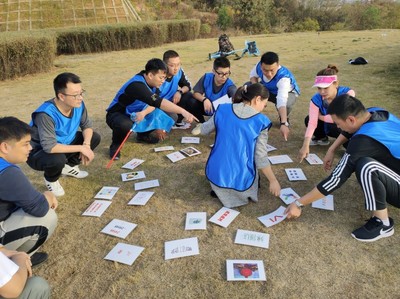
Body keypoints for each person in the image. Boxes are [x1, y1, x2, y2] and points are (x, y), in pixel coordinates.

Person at [285, 94, 400, 242]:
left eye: (338, 124)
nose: (338, 128)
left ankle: (383, 224)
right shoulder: (374, 112)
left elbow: (336, 179)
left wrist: (298, 203)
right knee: (365, 162)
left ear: (351, 119)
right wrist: (332, 149)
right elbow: (349, 130)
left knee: (367, 166)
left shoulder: (362, 142)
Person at [192, 83, 281, 208]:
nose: (263, 108)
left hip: (216, 175)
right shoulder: (261, 121)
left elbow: (205, 129)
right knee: (252, 177)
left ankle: (219, 191)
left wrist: (198, 128)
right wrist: (273, 180)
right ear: (257, 99)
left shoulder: (222, 109)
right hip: (241, 183)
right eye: (264, 104)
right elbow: (260, 156)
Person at [27, 72, 101, 197]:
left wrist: (86, 145)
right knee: (57, 158)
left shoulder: (78, 104)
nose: (80, 98)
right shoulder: (45, 114)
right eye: (75, 95)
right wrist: (81, 148)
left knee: (94, 137)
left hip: (63, 143)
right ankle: (51, 179)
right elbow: (49, 147)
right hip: (38, 152)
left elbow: (87, 126)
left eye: (81, 92)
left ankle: (68, 166)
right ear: (61, 96)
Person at [106, 58, 197, 159]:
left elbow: (153, 105)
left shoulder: (155, 84)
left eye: (164, 78)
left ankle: (143, 135)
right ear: (150, 75)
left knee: (170, 116)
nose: (163, 81)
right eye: (161, 78)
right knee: (125, 125)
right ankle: (116, 146)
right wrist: (183, 111)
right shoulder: (136, 85)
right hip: (118, 113)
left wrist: (145, 114)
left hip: (139, 112)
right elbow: (157, 101)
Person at [0, 117, 57, 266]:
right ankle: (17, 262)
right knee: (47, 217)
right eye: (25, 144)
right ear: (5, 147)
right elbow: (39, 208)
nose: (30, 148)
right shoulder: (7, 173)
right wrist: (49, 195)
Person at [298, 64, 355, 161]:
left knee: (338, 124)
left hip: (343, 127)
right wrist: (305, 145)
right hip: (327, 125)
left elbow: (341, 117)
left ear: (335, 84)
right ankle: (322, 138)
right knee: (308, 119)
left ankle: (352, 150)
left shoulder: (348, 94)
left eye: (325, 88)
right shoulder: (315, 99)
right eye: (319, 88)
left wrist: (321, 117)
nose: (322, 92)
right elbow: (312, 123)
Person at [249, 51, 300, 141]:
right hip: (268, 89)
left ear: (277, 65)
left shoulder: (284, 78)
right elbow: (253, 76)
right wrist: (257, 92)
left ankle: (284, 118)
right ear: (261, 66)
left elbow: (281, 100)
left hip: (287, 93)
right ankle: (248, 115)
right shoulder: (258, 66)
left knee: (286, 104)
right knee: (248, 87)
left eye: (272, 70)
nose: (269, 74)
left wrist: (284, 123)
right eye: (265, 70)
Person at [186, 57, 237, 123]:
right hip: (208, 108)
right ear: (213, 71)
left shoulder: (230, 86)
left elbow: (237, 102)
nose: (224, 77)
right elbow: (195, 93)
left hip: (221, 112)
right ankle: (201, 123)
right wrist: (205, 99)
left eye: (227, 73)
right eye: (220, 73)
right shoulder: (207, 77)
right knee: (190, 100)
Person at [161, 50, 193, 128]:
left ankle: (178, 122)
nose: (176, 68)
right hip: (159, 104)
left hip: (172, 102)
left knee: (188, 95)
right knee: (172, 118)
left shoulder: (179, 71)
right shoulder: (159, 75)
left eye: (178, 64)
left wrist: (179, 92)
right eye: (172, 65)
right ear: (164, 64)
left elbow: (188, 86)